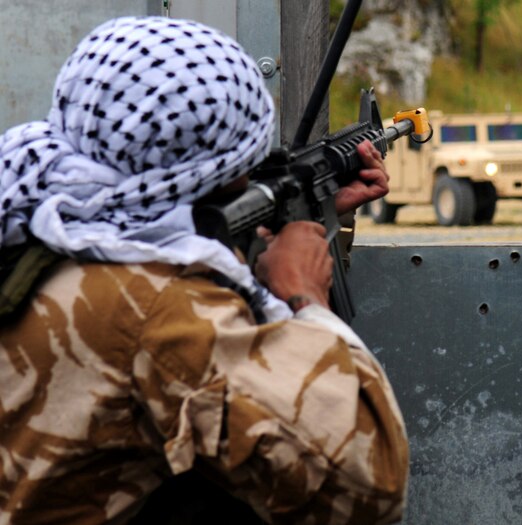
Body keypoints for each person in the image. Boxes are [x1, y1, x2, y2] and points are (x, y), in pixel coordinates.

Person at [0, 16, 408, 525]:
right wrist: (306, 297)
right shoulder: (158, 308)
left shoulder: (38, 213)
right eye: (245, 165)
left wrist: (316, 212)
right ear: (211, 172)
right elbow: (368, 485)